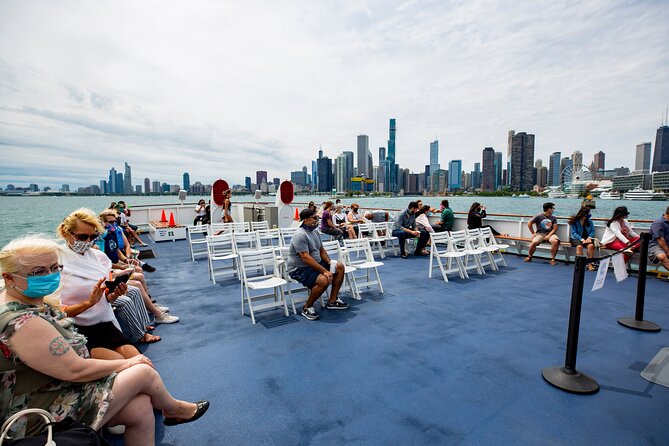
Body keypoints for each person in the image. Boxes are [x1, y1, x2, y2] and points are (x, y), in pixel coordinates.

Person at [0, 234, 209, 444]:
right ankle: (173, 409)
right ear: (8, 278)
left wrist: (96, 300)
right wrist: (127, 363)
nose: (50, 275)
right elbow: (75, 370)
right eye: (39, 272)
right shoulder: (22, 322)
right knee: (142, 371)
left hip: (59, 387)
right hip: (37, 415)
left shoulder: (26, 298)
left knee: (140, 408)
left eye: (55, 268)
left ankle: (171, 410)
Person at [58, 208, 162, 354]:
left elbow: (107, 296)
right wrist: (88, 303)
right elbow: (57, 310)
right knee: (128, 366)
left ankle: (143, 327)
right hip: (77, 328)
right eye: (82, 237)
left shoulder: (99, 257)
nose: (88, 242)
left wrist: (114, 294)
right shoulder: (56, 261)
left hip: (105, 323)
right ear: (65, 233)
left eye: (93, 237)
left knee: (143, 362)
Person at [287, 209, 349, 321]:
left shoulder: (315, 232)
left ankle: (332, 301)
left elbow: (321, 249)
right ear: (306, 220)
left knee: (339, 266)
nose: (318, 220)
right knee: (323, 280)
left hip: (316, 264)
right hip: (300, 268)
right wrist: (325, 271)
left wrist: (329, 262)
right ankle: (307, 307)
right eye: (315, 218)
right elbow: (305, 258)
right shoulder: (300, 235)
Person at [648, 206, 669, 271]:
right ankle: (653, 256)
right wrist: (668, 252)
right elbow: (660, 240)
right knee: (662, 256)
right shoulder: (658, 223)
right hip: (656, 245)